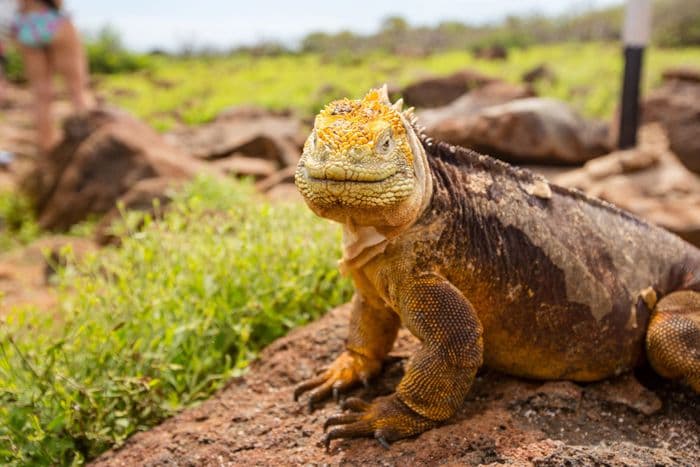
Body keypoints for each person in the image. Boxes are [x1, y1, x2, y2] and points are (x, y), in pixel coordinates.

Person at [11, 0, 90, 153]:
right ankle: (88, 142)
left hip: (26, 24)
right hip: (52, 20)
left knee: (40, 94)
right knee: (77, 90)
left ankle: (46, 149)